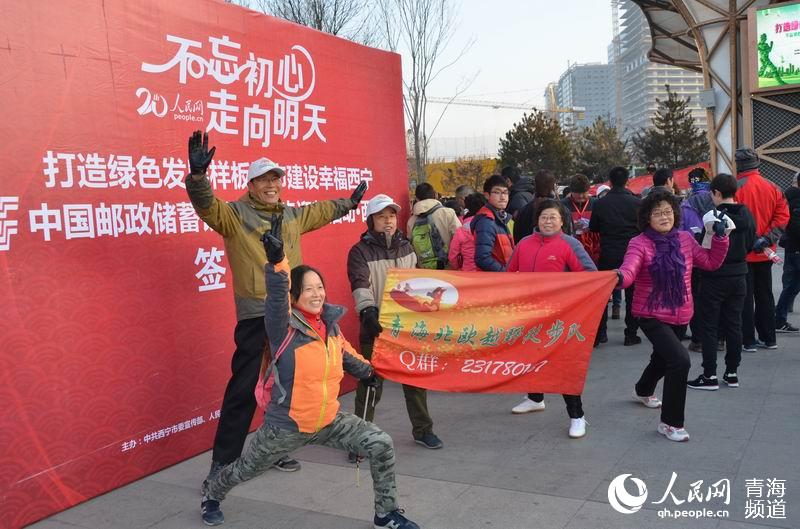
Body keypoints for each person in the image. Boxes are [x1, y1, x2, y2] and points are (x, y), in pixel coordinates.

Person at [199, 222, 420, 529]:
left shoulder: (328, 323)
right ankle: (212, 493)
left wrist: (367, 371)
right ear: (294, 296)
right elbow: (276, 294)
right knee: (244, 470)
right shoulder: (282, 326)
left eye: (320, 287)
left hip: (329, 420)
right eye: (307, 289)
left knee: (380, 443)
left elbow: (344, 352)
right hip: (285, 427)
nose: (316, 294)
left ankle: (386, 514)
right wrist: (277, 263)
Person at [184, 131, 367, 483]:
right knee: (242, 393)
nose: (271, 185)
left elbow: (320, 211)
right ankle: (221, 468)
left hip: (293, 318)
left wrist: (349, 203)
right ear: (251, 185)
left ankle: (274, 449)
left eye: (275, 179)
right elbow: (207, 206)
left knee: (286, 389)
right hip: (257, 316)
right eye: (264, 180)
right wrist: (197, 178)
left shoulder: (291, 216)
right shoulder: (235, 215)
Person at [617, 191, 729, 442]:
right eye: (657, 212)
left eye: (667, 211)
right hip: (650, 313)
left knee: (661, 358)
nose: (663, 216)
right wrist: (619, 278)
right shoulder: (640, 242)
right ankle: (671, 423)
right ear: (647, 217)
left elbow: (710, 262)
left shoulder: (685, 239)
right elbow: (630, 269)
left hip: (682, 312)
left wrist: (720, 238)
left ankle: (643, 389)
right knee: (679, 360)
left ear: (675, 213)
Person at [348, 195, 443, 453]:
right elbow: (359, 283)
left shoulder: (408, 247)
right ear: (371, 221)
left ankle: (423, 430)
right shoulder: (360, 251)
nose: (387, 221)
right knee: (369, 385)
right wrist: (367, 310)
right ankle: (359, 438)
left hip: (408, 329)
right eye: (381, 216)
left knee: (415, 382)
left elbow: (422, 280)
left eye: (391, 216)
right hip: (375, 329)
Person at [506, 199, 596, 439]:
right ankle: (535, 398)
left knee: (564, 368)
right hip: (530, 316)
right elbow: (508, 275)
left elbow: (590, 276)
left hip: (560, 319)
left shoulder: (570, 245)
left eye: (553, 217)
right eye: (544, 217)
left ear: (562, 221)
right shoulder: (524, 244)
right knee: (532, 357)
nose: (548, 221)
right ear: (537, 220)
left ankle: (577, 416)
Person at [687, 174, 756, 391]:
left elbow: (705, 246)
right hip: (739, 275)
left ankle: (709, 375)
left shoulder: (713, 216)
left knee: (709, 327)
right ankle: (732, 373)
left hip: (714, 277)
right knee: (734, 324)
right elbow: (751, 243)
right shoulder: (747, 214)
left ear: (716, 193)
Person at [734, 148, 790, 351]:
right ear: (757, 163)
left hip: (743, 253)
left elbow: (732, 221)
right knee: (765, 295)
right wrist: (767, 239)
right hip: (766, 252)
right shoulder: (773, 187)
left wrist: (750, 241)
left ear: (738, 165)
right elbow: (783, 217)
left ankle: (748, 340)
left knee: (745, 297)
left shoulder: (735, 188)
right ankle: (769, 338)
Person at [589, 167, 642, 346]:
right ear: (628, 181)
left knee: (603, 295)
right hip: (632, 254)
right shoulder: (637, 203)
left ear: (609, 183)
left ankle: (600, 334)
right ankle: (631, 334)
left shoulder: (601, 203)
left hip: (608, 252)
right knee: (632, 294)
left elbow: (593, 227)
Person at [406, 182, 461, 269]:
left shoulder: (411, 221)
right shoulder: (448, 213)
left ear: (417, 198)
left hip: (425, 271)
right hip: (448, 268)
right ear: (435, 195)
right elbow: (460, 238)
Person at [473, 174, 515, 271]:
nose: (503, 197)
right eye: (497, 192)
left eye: (505, 192)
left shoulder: (503, 218)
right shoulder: (486, 221)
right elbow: (482, 258)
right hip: (495, 281)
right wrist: (504, 272)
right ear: (487, 195)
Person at [776, 171, 800, 333]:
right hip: (797, 248)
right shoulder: (797, 199)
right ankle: (779, 318)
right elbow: (796, 227)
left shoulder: (788, 197)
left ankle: (779, 318)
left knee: (791, 286)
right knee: (791, 286)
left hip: (793, 248)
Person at [562, 174, 599, 263]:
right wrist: (570, 226)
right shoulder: (562, 205)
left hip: (593, 248)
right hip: (571, 247)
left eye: (584, 192)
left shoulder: (597, 204)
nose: (581, 196)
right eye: (578, 193)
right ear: (571, 191)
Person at [513, 169, 558, 242]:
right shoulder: (561, 210)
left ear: (535, 185)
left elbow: (517, 239)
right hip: (557, 251)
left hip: (528, 251)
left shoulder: (524, 211)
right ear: (553, 186)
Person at [448, 193, 486, 271]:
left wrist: (457, 268)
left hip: (467, 273)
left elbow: (453, 256)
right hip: (489, 273)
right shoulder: (491, 225)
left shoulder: (461, 230)